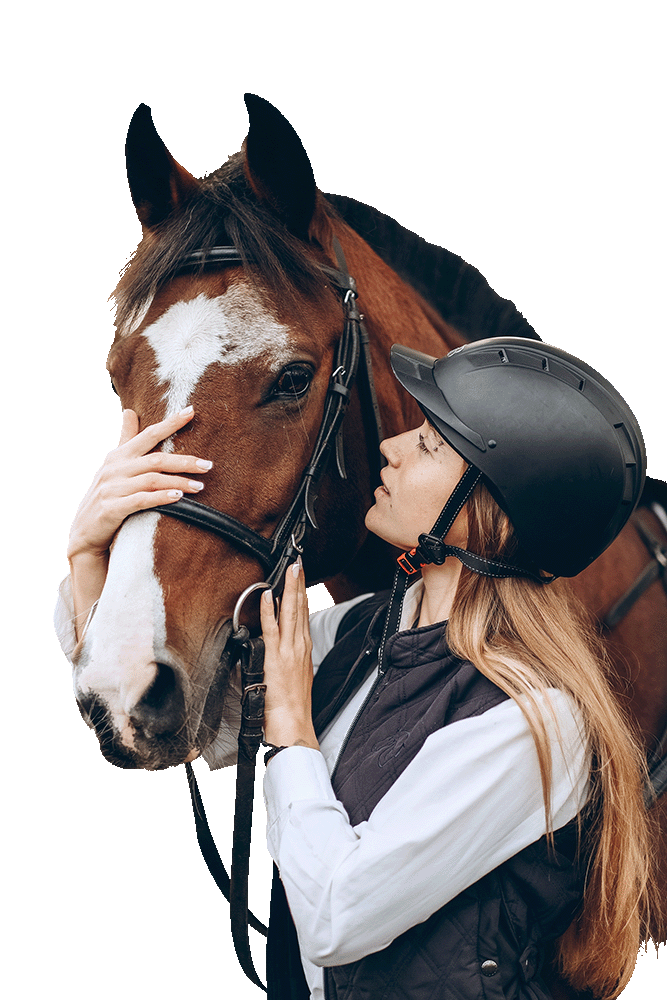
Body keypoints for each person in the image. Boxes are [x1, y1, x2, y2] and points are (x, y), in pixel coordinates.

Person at [58, 338, 654, 1000]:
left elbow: (339, 917)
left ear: (488, 518)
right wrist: (91, 556)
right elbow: (198, 716)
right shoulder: (364, 629)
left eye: (429, 444)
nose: (394, 447)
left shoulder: (533, 718)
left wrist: (290, 724)